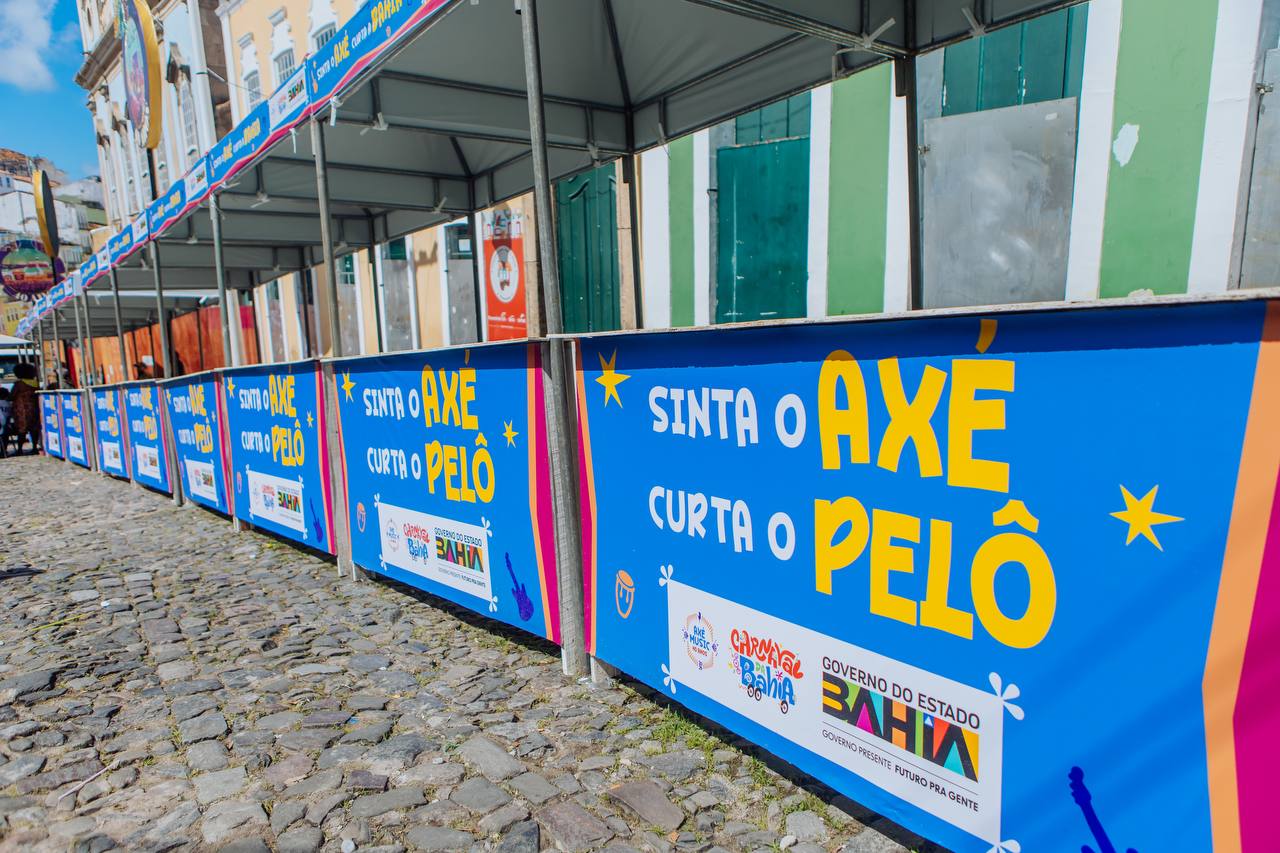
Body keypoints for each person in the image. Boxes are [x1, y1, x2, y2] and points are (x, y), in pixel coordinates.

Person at [3, 363, 41, 456]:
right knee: (34, 429)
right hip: (34, 408)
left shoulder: (19, 384)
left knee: (22, 429)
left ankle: (20, 449)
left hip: (22, 409)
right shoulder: (35, 383)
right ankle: (34, 447)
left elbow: (12, 396)